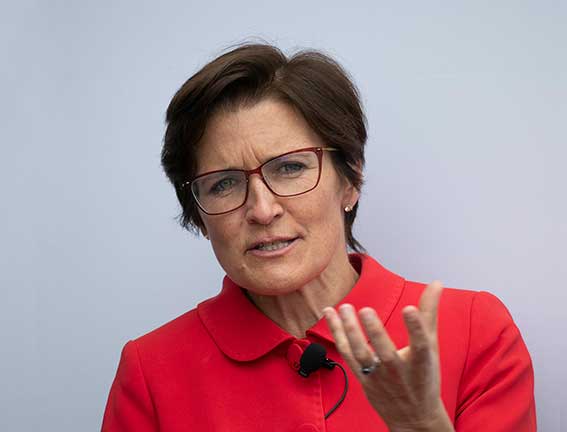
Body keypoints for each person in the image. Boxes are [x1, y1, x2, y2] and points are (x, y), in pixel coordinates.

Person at [101, 43, 536, 432]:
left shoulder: (475, 332)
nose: (262, 210)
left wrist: (421, 427)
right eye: (224, 183)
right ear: (198, 214)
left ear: (350, 181)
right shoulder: (151, 372)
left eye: (290, 167)